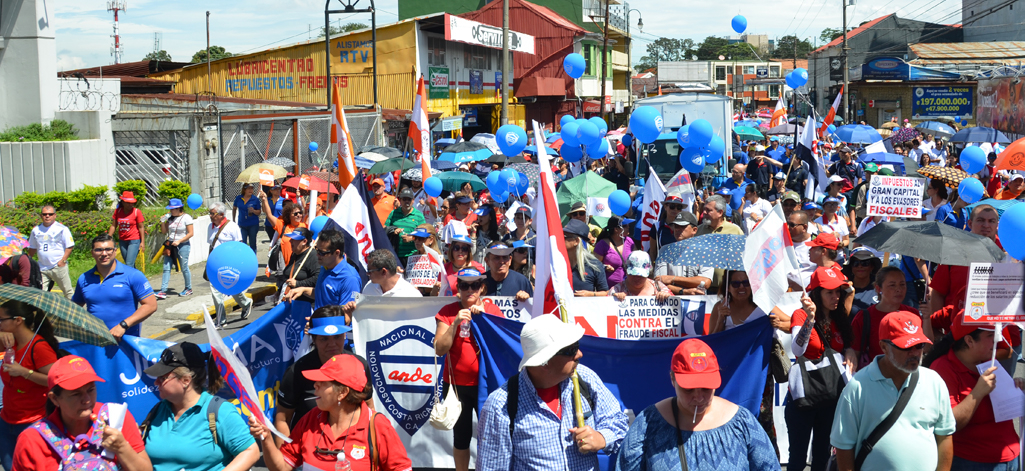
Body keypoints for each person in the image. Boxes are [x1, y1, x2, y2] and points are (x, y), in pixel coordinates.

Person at [477, 315, 629, 470]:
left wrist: (602, 438)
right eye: (571, 350)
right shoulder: (501, 405)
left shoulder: (586, 378)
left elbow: (618, 421)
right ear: (544, 361)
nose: (579, 354)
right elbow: (492, 467)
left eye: (576, 345)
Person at [616, 338, 780, 471]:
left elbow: (770, 467)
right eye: (689, 389)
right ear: (673, 380)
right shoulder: (648, 424)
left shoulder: (742, 423)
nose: (699, 397)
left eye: (706, 388)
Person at [829, 311, 954, 471]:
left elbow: (944, 436)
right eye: (906, 346)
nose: (915, 353)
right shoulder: (858, 387)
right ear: (883, 347)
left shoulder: (934, 382)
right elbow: (843, 446)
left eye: (919, 345)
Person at [250, 353, 412, 471]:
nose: (315, 385)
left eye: (322, 382)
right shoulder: (310, 420)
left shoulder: (377, 426)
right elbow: (283, 467)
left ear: (342, 392)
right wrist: (267, 438)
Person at [11, 355, 151, 471]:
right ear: (54, 398)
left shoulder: (116, 418)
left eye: (91, 390)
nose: (87, 400)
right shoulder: (33, 440)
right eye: (76, 394)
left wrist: (121, 448)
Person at [925, 312, 1022, 470]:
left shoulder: (988, 362)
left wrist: (1017, 389)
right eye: (990, 335)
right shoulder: (942, 368)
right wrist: (977, 393)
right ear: (969, 341)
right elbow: (949, 425)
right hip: (973, 461)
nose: (997, 340)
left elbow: (1006, 409)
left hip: (1010, 456)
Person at [142, 342, 259, 471]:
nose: (156, 382)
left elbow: (250, 451)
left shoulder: (220, 411)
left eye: (163, 378)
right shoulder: (157, 411)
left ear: (186, 380)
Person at [786, 267, 857, 471]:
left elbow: (845, 346)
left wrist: (850, 349)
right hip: (802, 399)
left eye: (838, 292)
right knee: (797, 458)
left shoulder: (840, 318)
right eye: (829, 292)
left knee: (822, 456)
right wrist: (810, 319)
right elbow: (797, 349)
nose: (836, 296)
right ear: (816, 293)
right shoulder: (800, 314)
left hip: (830, 398)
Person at [435, 268, 503, 471]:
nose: (469, 290)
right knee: (461, 436)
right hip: (457, 387)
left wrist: (485, 322)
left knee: (490, 436)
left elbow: (500, 348)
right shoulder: (448, 312)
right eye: (464, 285)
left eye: (474, 285)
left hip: (486, 385)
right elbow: (439, 349)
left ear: (482, 288)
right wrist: (455, 322)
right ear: (458, 288)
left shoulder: (492, 311)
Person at [275, 307, 371, 439]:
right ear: (313, 339)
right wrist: (285, 457)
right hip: (307, 452)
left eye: (337, 337)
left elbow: (369, 409)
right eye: (324, 339)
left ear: (344, 335)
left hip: (352, 451)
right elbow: (282, 419)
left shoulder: (360, 365)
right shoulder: (296, 372)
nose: (332, 344)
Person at [0, 300, 60, 470]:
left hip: (33, 422)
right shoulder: (10, 342)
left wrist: (25, 372)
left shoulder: (39, 347)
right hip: (7, 420)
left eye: (1, 320)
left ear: (17, 320)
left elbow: (56, 380)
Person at [73, 234, 157, 341]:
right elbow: (74, 307)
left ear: (115, 251)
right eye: (99, 250)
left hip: (125, 341)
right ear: (92, 253)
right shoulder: (84, 278)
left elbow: (151, 305)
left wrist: (123, 325)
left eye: (108, 249)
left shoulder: (133, 275)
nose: (104, 254)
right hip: (95, 341)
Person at [850, 266, 922, 368]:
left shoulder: (913, 314)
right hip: (876, 376)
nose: (899, 289)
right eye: (892, 285)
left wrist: (927, 319)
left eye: (902, 284)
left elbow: (925, 347)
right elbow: (855, 352)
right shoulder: (864, 316)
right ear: (878, 288)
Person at [283, 230, 362, 319]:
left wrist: (317, 323)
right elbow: (323, 294)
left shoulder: (349, 279)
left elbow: (346, 316)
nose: (317, 255)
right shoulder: (325, 267)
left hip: (331, 331)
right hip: (317, 327)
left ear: (337, 253)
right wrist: (303, 290)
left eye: (322, 253)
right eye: (317, 250)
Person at [206, 202, 254, 328]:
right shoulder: (210, 227)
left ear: (221, 215)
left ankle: (246, 303)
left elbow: (239, 246)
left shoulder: (232, 227)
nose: (210, 216)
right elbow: (211, 245)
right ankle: (221, 320)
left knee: (232, 288)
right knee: (215, 289)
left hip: (229, 263)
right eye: (210, 213)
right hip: (215, 263)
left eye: (213, 213)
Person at [654, 212, 712, 295]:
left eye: (682, 226)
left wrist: (672, 279)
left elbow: (705, 282)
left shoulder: (704, 252)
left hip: (698, 302)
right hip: (672, 302)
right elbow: (659, 282)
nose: (677, 229)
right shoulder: (664, 250)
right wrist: (684, 291)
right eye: (676, 226)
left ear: (694, 230)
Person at [26, 205, 74, 298]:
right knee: (40, 293)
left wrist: (63, 260)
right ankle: (41, 312)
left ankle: (74, 310)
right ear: (41, 216)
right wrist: (28, 260)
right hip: (42, 267)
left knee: (68, 292)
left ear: (54, 215)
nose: (47, 216)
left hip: (57, 266)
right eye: (45, 214)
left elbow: (69, 246)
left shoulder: (62, 229)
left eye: (50, 214)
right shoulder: (36, 230)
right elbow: (32, 247)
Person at [156, 198, 194, 299]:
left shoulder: (187, 218)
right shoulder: (170, 218)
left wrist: (179, 241)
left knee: (184, 267)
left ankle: (188, 288)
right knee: (166, 267)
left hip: (183, 245)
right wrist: (163, 222)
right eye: (170, 209)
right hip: (171, 244)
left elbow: (191, 233)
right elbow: (164, 231)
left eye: (173, 209)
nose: (171, 211)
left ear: (178, 208)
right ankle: (163, 290)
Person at [259, 190, 308, 267]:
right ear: (289, 215)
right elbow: (269, 215)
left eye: (300, 213)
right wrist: (264, 200)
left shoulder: (305, 226)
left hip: (300, 267)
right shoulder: (282, 225)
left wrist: (299, 198)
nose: (299, 215)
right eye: (295, 214)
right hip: (285, 268)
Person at [565, 219, 608, 297]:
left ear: (576, 241)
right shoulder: (557, 263)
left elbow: (605, 293)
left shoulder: (594, 264)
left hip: (585, 308)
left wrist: (591, 294)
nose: (561, 239)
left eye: (565, 236)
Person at [278, 228, 319, 305]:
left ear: (304, 241)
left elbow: (317, 278)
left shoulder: (313, 256)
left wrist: (298, 284)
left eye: (294, 239)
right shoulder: (295, 254)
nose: (290, 241)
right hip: (292, 303)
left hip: (305, 305)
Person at [385, 188, 426, 265]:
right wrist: (393, 230)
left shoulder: (418, 215)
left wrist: (411, 238)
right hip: (395, 255)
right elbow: (384, 228)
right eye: (404, 199)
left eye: (409, 199)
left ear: (413, 200)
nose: (407, 202)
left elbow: (424, 234)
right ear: (400, 200)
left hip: (412, 255)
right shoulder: (393, 213)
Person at [593, 215, 634, 286]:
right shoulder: (602, 244)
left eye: (628, 225)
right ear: (616, 229)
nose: (628, 227)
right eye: (624, 226)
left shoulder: (629, 241)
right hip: (609, 289)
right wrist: (604, 267)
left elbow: (636, 259)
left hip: (628, 288)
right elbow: (594, 265)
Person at [108, 191, 145, 268]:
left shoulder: (136, 212)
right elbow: (113, 226)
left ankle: (129, 279)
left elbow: (141, 227)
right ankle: (137, 279)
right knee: (129, 263)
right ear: (123, 202)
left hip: (134, 240)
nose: (130, 204)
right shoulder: (118, 211)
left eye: (132, 203)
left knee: (129, 264)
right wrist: (108, 237)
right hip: (122, 240)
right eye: (128, 203)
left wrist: (142, 242)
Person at [842, 248, 882, 319]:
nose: (860, 266)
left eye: (865, 263)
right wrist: (850, 292)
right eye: (855, 263)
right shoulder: (844, 287)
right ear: (851, 267)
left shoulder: (880, 288)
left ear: (872, 267)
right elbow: (842, 318)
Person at [788, 210, 817, 288]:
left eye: (792, 225)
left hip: (810, 295)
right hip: (785, 295)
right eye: (787, 224)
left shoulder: (817, 243)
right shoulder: (781, 243)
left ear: (804, 227)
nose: (788, 227)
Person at [232, 183, 262, 253]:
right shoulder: (238, 198)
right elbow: (234, 208)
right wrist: (233, 220)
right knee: (242, 243)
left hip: (253, 224)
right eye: (249, 188)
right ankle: (244, 260)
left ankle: (253, 260)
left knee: (252, 243)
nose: (250, 190)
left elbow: (259, 212)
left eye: (252, 188)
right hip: (242, 224)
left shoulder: (255, 199)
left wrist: (253, 211)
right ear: (244, 189)